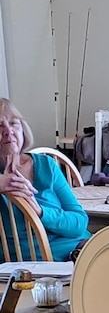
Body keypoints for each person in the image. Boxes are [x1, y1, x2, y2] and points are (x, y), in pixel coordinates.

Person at [0, 99, 90, 261]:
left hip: (79, 246)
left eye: (14, 123)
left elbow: (79, 222)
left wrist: (40, 211)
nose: (8, 131)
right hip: (35, 260)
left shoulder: (46, 164)